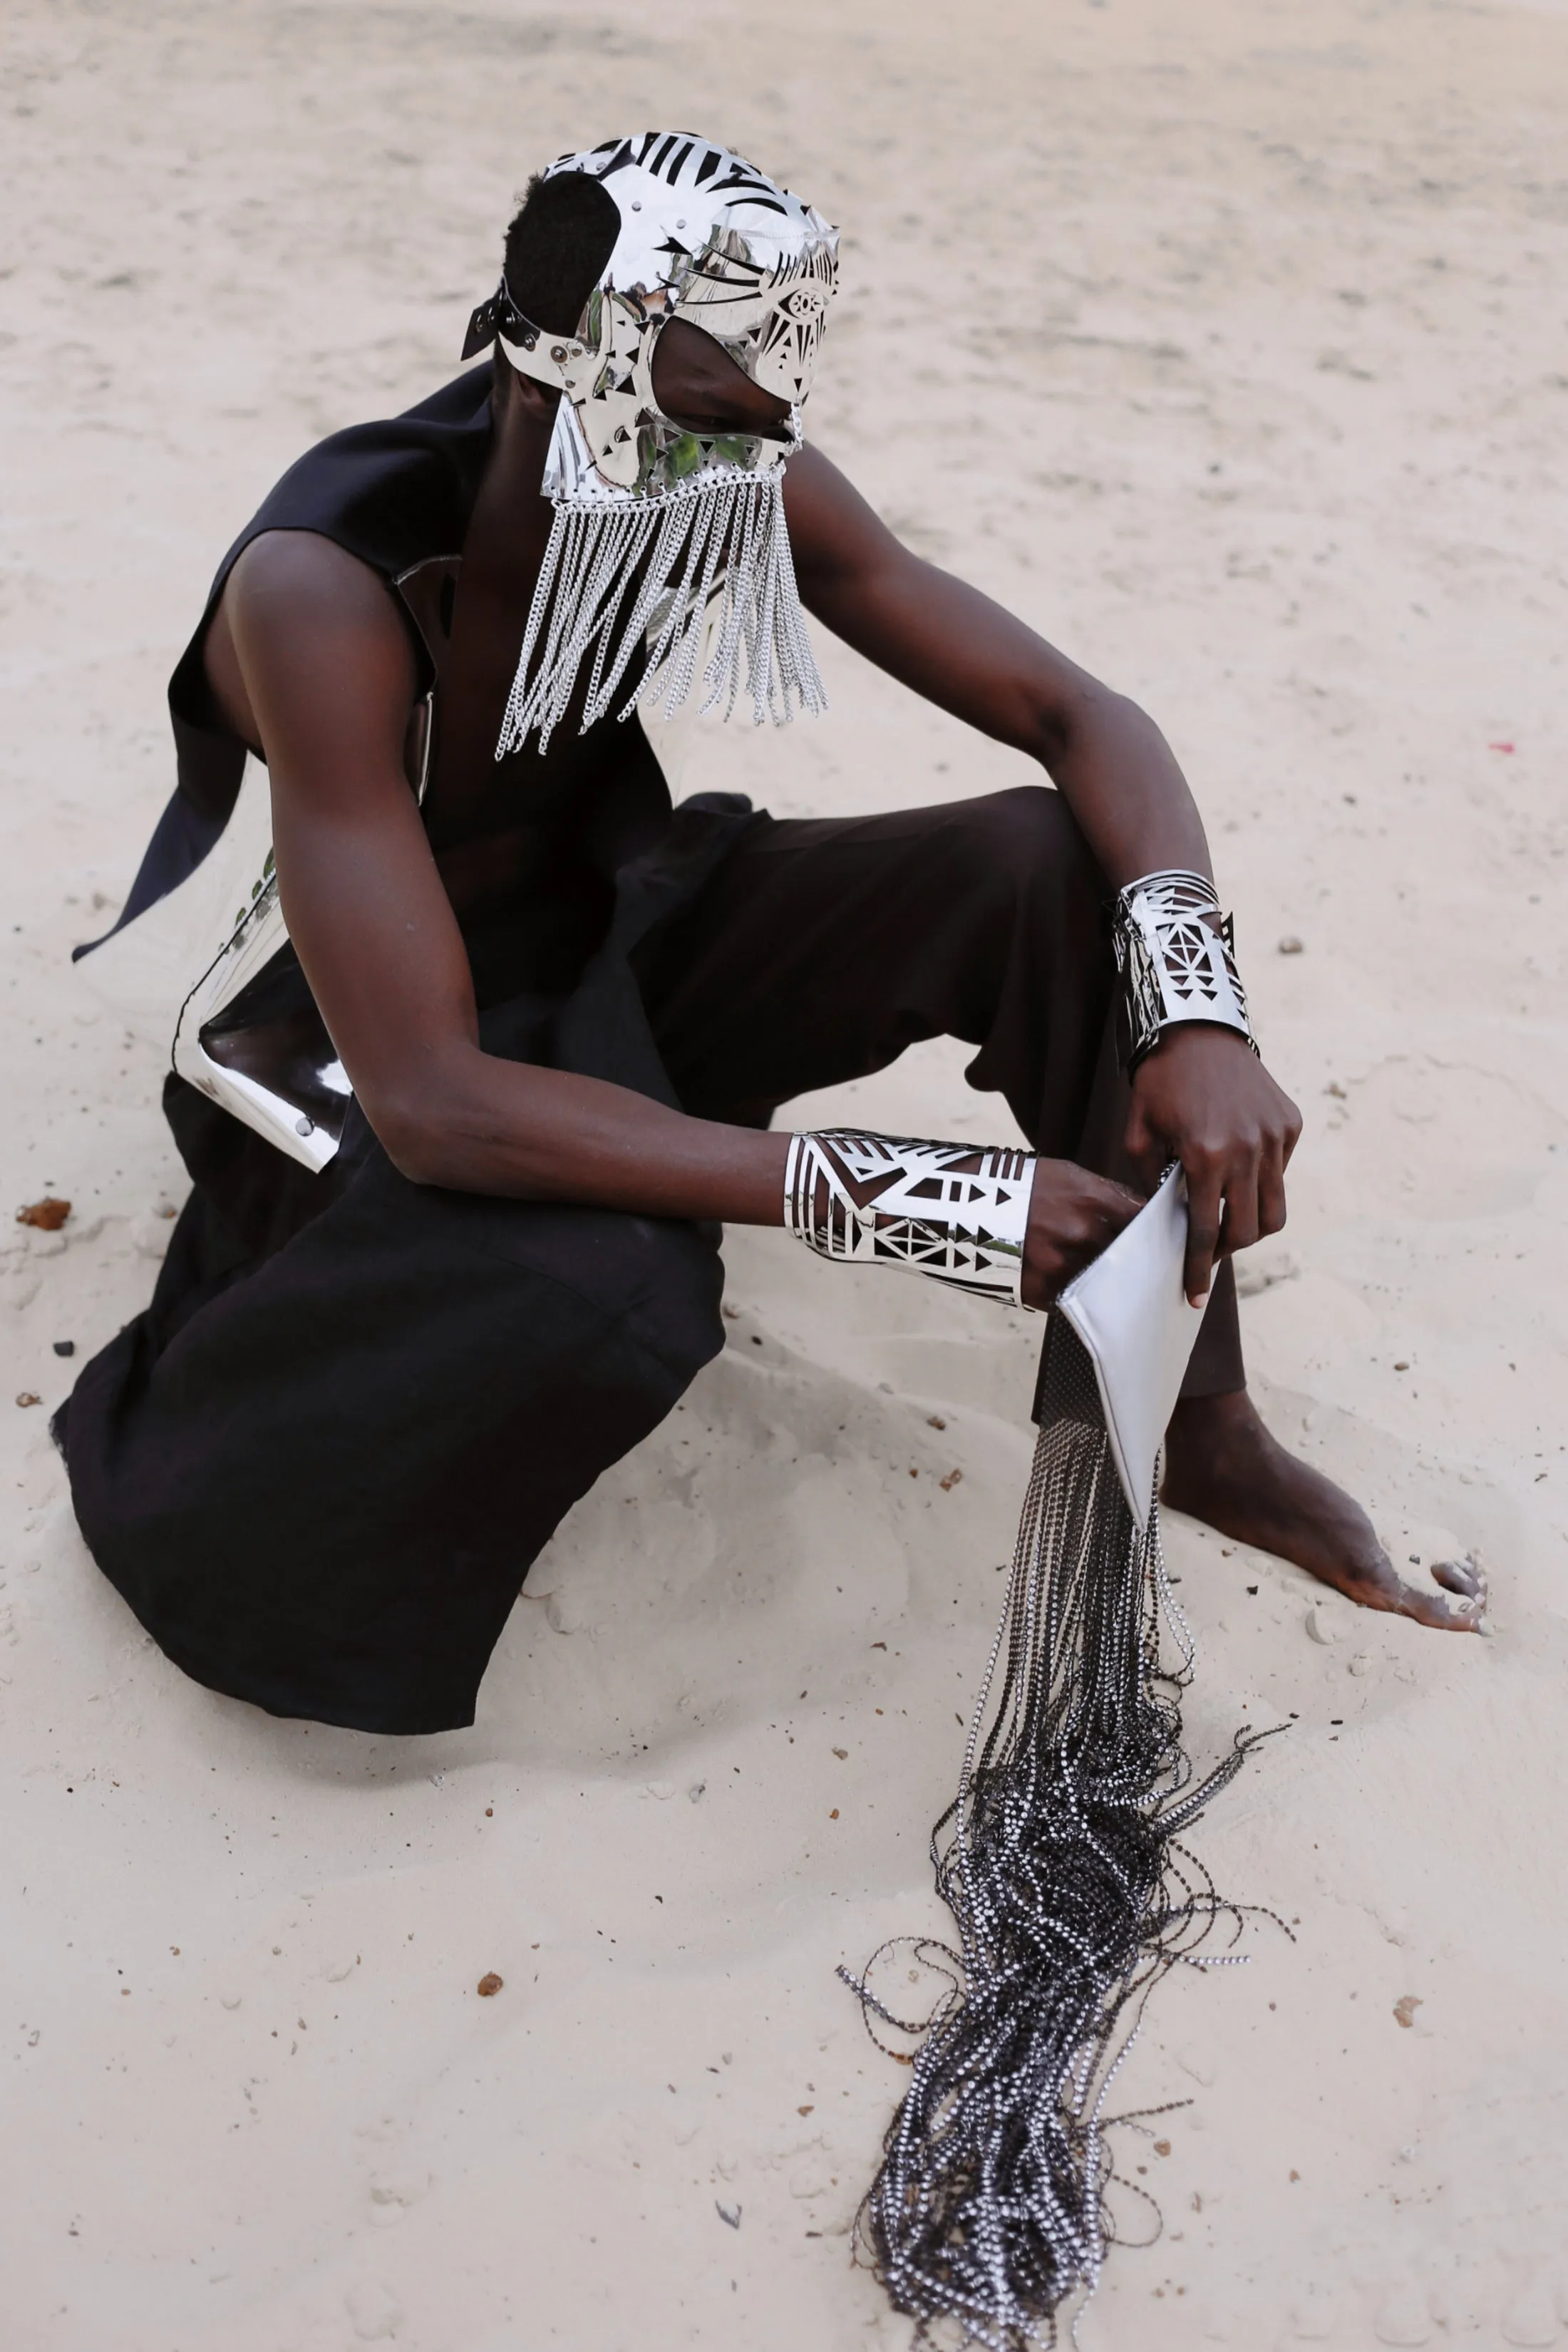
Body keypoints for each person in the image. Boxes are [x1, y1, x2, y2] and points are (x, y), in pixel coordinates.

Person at [56, 134, 1484, 1738]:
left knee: (1041, 867)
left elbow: (1080, 716)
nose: (753, 459)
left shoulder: (728, 459)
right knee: (599, 1284)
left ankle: (1198, 1428)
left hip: (617, 930)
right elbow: (432, 1099)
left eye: (770, 412)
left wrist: (1197, 1009)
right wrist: (909, 1196)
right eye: (708, 410)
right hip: (388, 1036)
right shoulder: (325, 590)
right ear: (562, 364)